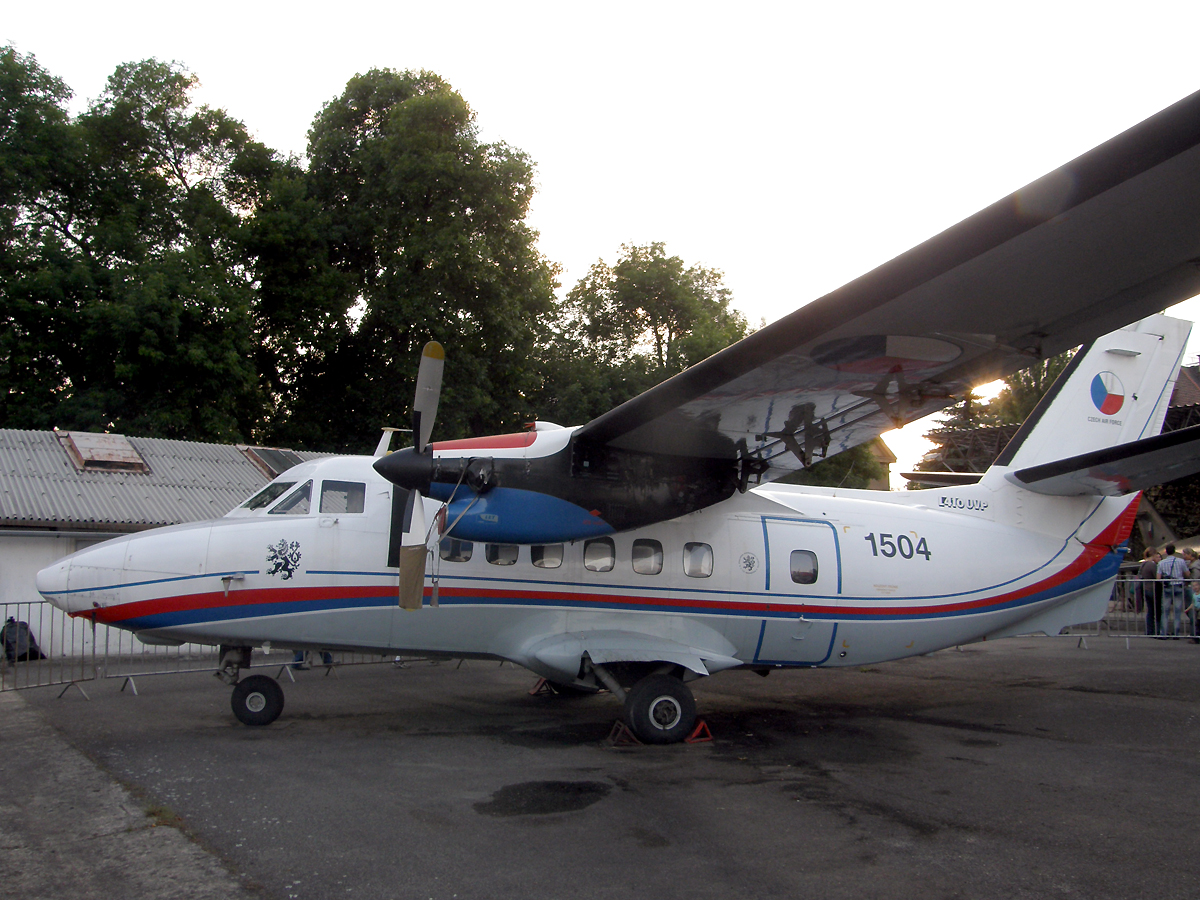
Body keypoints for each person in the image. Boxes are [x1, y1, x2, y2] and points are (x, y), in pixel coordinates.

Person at [1157, 543, 1189, 638]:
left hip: (1167, 587)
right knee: (1177, 611)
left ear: (1166, 552)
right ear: (1174, 551)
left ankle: (1163, 633)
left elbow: (1158, 578)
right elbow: (1187, 574)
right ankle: (1176, 633)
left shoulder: (1161, 563)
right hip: (1178, 586)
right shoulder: (1181, 561)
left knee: (1165, 611)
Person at [1137, 548, 1160, 636]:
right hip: (1152, 589)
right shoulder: (1152, 565)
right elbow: (1156, 576)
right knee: (1155, 610)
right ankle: (1156, 630)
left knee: (1150, 611)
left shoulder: (1143, 564)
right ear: (1153, 555)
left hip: (1146, 589)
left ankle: (1149, 630)